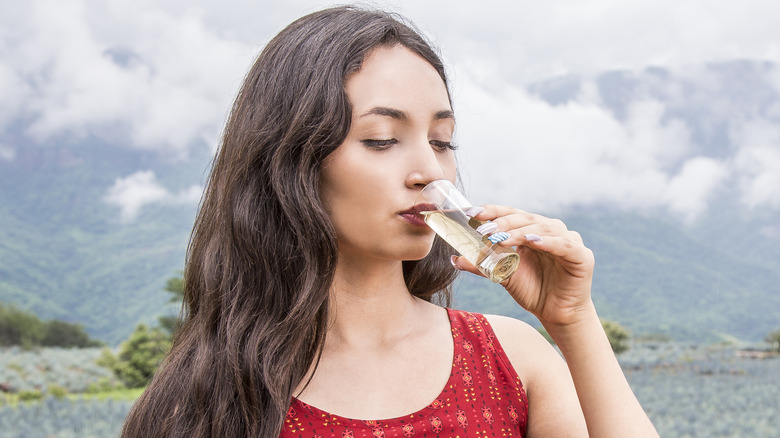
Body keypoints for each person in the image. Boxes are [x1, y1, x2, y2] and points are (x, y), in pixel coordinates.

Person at [121, 6, 659, 437]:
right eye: (382, 140)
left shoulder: (512, 361)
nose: (429, 168)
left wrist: (573, 320)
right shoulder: (210, 397)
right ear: (291, 161)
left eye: (443, 142)